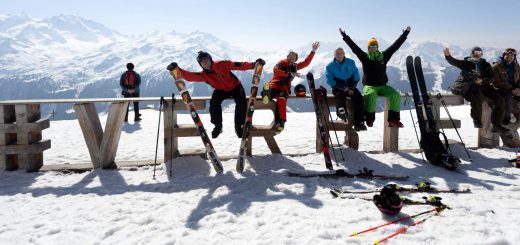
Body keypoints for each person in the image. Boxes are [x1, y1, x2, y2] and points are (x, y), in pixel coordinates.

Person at [167, 51, 265, 138]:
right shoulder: (204, 75)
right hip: (220, 90)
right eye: (202, 62)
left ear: (210, 59)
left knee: (241, 102)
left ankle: (238, 126)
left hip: (235, 86)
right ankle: (218, 126)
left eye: (206, 60)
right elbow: (190, 76)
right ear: (200, 64)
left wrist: (254, 64)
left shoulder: (222, 64)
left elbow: (239, 65)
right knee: (214, 103)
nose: (205, 63)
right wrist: (177, 69)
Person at [339, 27, 411, 128]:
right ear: (368, 48)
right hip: (369, 86)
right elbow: (354, 48)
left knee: (395, 95)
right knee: (371, 95)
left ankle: (393, 120)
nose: (372, 48)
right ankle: (369, 119)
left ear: (377, 47)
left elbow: (395, 46)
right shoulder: (364, 57)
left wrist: (405, 34)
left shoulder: (384, 56)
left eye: (374, 46)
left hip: (383, 86)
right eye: (370, 47)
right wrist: (345, 36)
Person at [444, 47, 508, 133]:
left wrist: (483, 80)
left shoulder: (485, 64)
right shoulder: (466, 63)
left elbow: (492, 78)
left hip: (484, 86)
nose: (477, 54)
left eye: (479, 52)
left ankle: (496, 124)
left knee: (499, 99)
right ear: (472, 53)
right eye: (476, 52)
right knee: (478, 97)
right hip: (471, 86)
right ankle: (477, 120)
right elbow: (454, 62)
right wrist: (448, 56)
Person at [262, 42, 320, 132]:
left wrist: (313, 51)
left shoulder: (295, 66)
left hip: (284, 86)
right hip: (276, 82)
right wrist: (289, 73)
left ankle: (280, 122)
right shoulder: (281, 63)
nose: (292, 57)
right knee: (272, 88)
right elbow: (276, 71)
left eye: (294, 56)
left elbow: (306, 63)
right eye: (290, 55)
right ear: (287, 56)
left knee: (282, 98)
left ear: (295, 59)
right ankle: (267, 93)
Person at [325, 47, 367, 131]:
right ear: (334, 55)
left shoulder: (351, 62)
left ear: (344, 54)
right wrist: (343, 88)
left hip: (351, 86)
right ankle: (342, 114)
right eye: (337, 53)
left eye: (341, 53)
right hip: (338, 87)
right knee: (340, 98)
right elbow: (330, 80)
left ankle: (359, 122)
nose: (339, 55)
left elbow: (356, 76)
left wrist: (351, 88)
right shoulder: (330, 66)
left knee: (359, 99)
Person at [492, 48, 520, 125]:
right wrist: (511, 88)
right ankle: (506, 118)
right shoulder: (496, 67)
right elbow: (496, 82)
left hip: (514, 88)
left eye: (512, 55)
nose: (510, 56)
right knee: (508, 98)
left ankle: (517, 117)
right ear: (503, 55)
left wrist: (518, 89)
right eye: (507, 55)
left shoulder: (516, 66)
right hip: (500, 89)